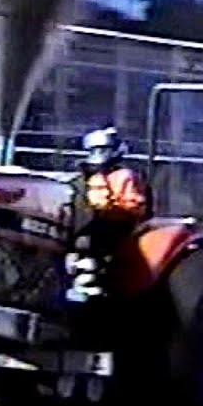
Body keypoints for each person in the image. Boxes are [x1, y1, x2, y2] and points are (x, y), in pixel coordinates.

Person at [66, 126, 151, 303]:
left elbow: (135, 207)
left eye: (102, 150)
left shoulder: (123, 177)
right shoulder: (83, 179)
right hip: (89, 230)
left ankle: (92, 286)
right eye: (95, 150)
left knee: (93, 249)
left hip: (109, 231)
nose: (98, 154)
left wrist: (110, 209)